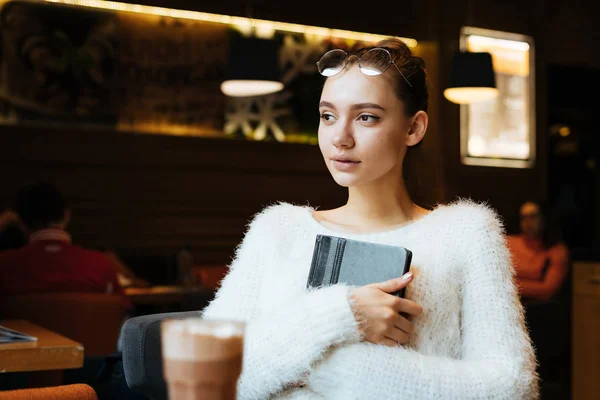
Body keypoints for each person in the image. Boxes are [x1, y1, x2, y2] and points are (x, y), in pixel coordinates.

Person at [200, 38, 538, 399]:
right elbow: (210, 371)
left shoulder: (466, 234)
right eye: (328, 116)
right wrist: (343, 314)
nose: (340, 138)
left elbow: (513, 387)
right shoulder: (278, 230)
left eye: (366, 117)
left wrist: (339, 371)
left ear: (414, 128)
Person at [0, 181, 129, 303]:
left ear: (20, 222)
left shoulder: (5, 265)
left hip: (19, 328)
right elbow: (125, 313)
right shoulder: (101, 265)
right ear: (66, 216)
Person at [508, 200, 570, 303]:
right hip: (507, 302)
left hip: (539, 308)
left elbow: (547, 290)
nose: (528, 222)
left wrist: (508, 285)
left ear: (544, 218)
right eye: (524, 218)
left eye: (533, 217)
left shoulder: (557, 250)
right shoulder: (509, 242)